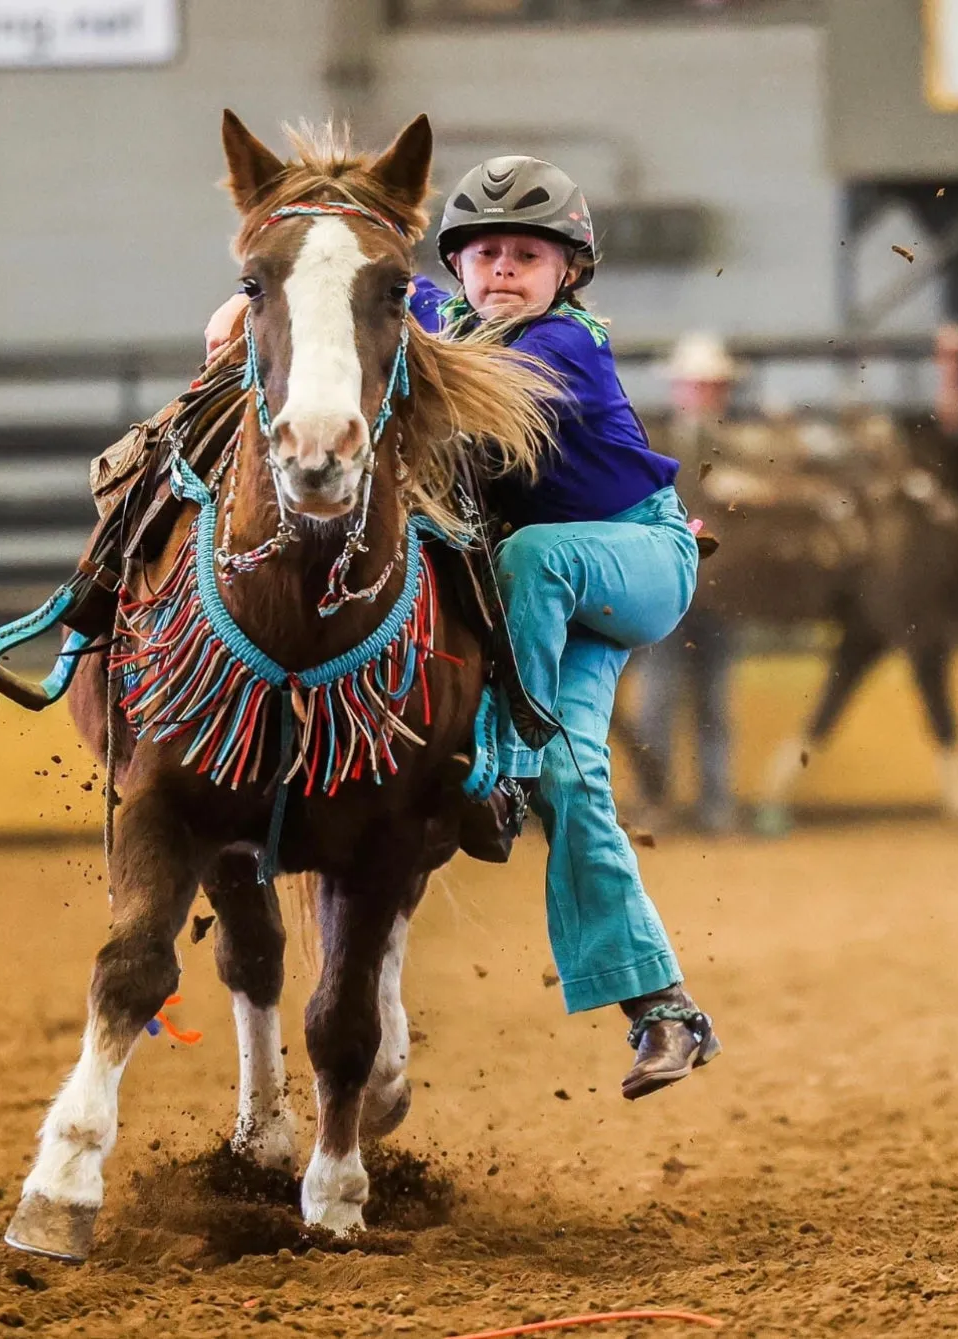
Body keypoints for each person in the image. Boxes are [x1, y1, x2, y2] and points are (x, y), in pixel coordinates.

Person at [204, 156, 720, 1101]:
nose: (504, 271)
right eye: (485, 255)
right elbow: (366, 302)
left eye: (530, 254)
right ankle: (664, 1009)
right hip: (555, 592)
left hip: (629, 556)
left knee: (527, 564)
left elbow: (415, 347)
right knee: (579, 773)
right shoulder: (444, 315)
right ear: (458, 265)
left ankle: (500, 769)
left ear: (571, 273)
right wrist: (268, 307)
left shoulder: (563, 345)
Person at [634, 333, 743, 834]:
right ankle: (658, 801)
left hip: (721, 595)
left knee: (715, 704)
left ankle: (716, 805)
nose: (703, 394)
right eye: (696, 385)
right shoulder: (651, 444)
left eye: (711, 386)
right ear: (679, 389)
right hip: (664, 595)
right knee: (657, 702)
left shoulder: (741, 448)